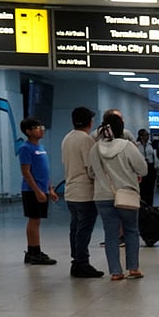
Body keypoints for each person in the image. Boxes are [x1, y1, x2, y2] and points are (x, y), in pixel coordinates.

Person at [87, 113, 147, 281]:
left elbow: (91, 172)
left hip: (102, 196)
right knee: (131, 231)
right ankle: (133, 268)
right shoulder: (127, 146)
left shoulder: (95, 148)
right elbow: (143, 169)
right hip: (126, 194)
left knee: (111, 234)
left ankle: (115, 271)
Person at [60, 107, 103, 278]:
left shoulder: (67, 138)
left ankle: (76, 261)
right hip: (84, 191)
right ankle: (82, 262)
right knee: (84, 230)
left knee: (75, 228)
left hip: (70, 191)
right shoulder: (86, 140)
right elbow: (90, 168)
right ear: (89, 122)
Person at [17, 117, 60, 265]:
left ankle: (35, 250)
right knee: (33, 220)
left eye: (41, 126)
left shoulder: (41, 147)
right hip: (31, 190)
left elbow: (44, 171)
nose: (41, 129)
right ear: (28, 131)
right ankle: (33, 252)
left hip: (43, 189)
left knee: (37, 221)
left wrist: (50, 189)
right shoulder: (25, 148)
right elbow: (26, 172)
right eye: (36, 127)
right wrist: (36, 191)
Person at [135, 128, 159, 206]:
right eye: (146, 135)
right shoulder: (136, 145)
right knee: (142, 188)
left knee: (150, 188)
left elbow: (158, 155)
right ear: (141, 136)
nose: (148, 136)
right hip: (141, 168)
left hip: (151, 167)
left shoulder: (152, 144)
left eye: (148, 135)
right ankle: (142, 205)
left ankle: (150, 205)